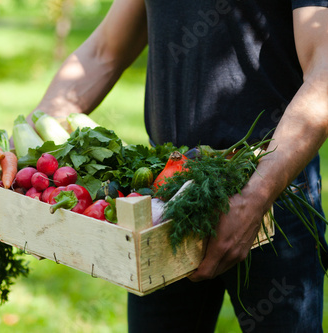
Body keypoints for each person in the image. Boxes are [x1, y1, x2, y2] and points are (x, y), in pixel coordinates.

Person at [28, 1, 328, 331]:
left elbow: (324, 72)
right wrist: (33, 133)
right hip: (165, 197)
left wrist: (255, 198)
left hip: (273, 193)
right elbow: (103, 52)